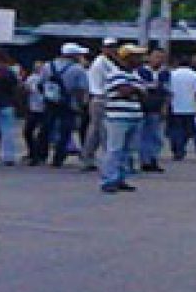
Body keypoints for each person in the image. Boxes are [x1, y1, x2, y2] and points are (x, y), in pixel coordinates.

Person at [99, 44, 148, 193]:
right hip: (117, 117)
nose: (141, 59)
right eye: (137, 56)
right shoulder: (115, 73)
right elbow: (124, 90)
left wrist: (135, 89)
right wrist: (137, 89)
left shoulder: (135, 75)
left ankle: (120, 178)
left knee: (127, 150)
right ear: (127, 57)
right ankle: (109, 180)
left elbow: (143, 93)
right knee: (115, 149)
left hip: (133, 115)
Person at [42, 43, 90, 168]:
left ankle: (40, 155)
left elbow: (41, 83)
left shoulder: (48, 66)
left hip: (50, 100)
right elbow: (81, 89)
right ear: (74, 55)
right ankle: (58, 158)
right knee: (65, 130)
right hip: (68, 102)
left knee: (46, 128)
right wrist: (81, 105)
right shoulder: (78, 69)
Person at [82, 38, 120, 172]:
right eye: (109, 47)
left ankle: (90, 158)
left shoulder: (110, 62)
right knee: (101, 131)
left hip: (106, 98)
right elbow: (113, 79)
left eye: (114, 47)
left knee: (97, 131)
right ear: (103, 48)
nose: (112, 49)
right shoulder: (101, 62)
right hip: (100, 98)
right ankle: (101, 160)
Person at [136, 49, 171, 173]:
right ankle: (144, 160)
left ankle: (153, 158)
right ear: (149, 57)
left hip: (156, 108)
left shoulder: (165, 73)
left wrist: (165, 106)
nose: (159, 60)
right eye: (156, 57)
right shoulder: (141, 71)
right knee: (142, 135)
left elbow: (167, 91)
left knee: (156, 135)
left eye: (161, 57)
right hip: (143, 107)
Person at [167, 58, 196, 161]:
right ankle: (180, 148)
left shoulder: (171, 75)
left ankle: (176, 148)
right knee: (187, 132)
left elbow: (168, 92)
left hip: (174, 107)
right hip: (190, 107)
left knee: (175, 129)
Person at [21, 61, 48, 165]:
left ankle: (40, 154)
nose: (38, 69)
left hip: (44, 108)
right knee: (28, 131)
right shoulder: (31, 78)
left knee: (42, 133)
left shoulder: (47, 78)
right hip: (34, 108)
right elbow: (26, 90)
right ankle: (33, 152)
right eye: (36, 67)